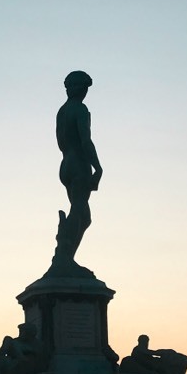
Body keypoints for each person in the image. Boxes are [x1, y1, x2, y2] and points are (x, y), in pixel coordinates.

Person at [51, 70, 102, 272]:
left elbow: (60, 141)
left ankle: (65, 256)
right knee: (80, 210)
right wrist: (97, 167)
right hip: (78, 163)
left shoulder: (62, 111)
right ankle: (64, 258)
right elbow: (86, 140)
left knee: (83, 215)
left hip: (66, 164)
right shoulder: (80, 110)